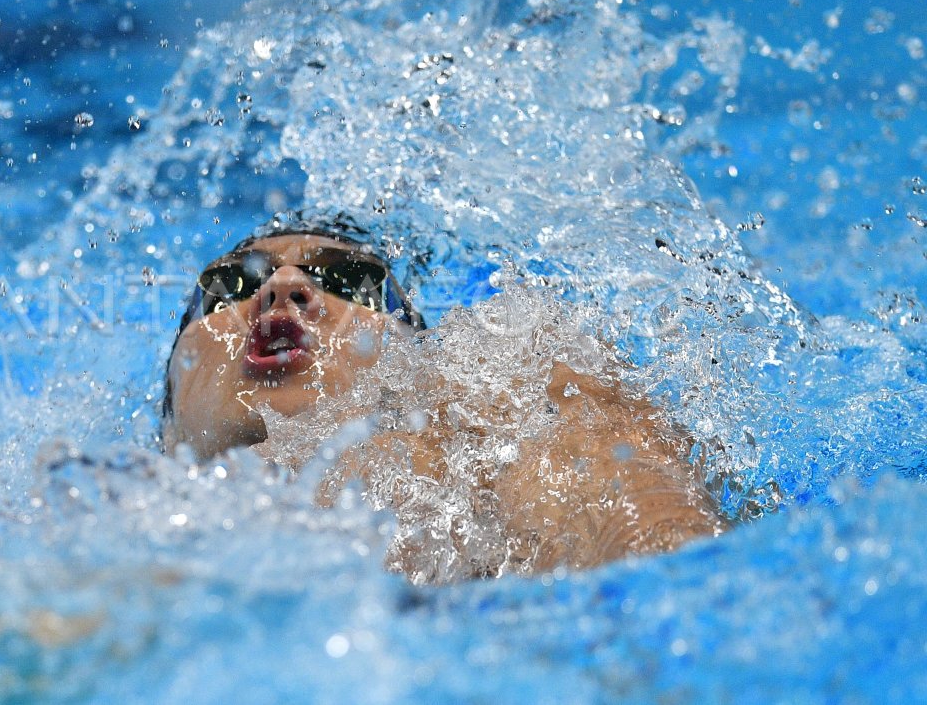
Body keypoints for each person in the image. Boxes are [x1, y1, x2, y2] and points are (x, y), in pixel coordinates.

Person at [163, 213, 726, 579]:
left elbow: (674, 582)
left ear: (423, 363)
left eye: (351, 282)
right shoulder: (95, 500)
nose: (281, 288)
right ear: (166, 425)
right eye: (230, 286)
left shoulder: (504, 414)